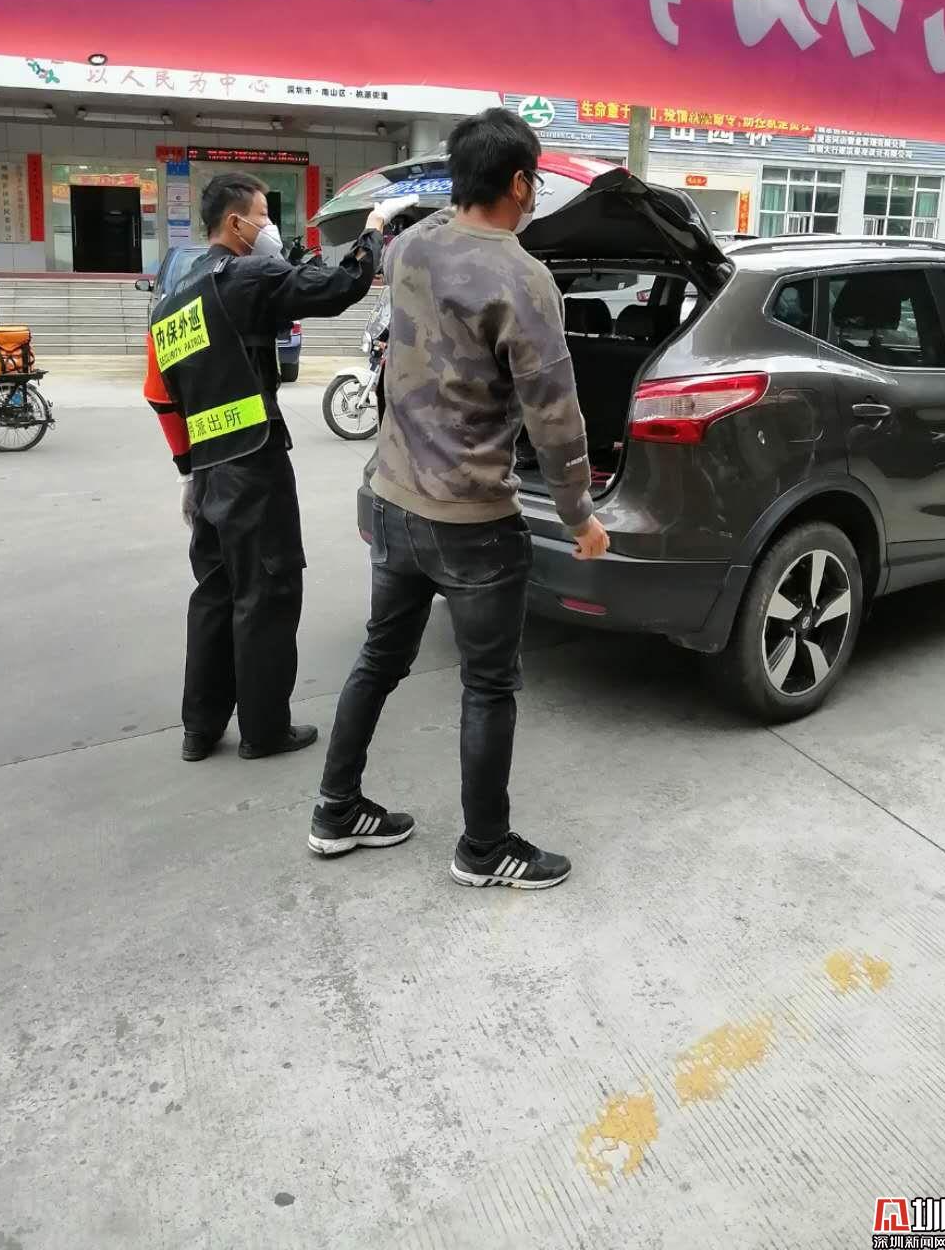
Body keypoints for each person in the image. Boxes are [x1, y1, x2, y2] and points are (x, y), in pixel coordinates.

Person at [309, 108, 610, 890]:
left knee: (379, 658)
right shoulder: (523, 279)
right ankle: (484, 848)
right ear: (520, 183)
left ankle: (335, 810)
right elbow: (554, 415)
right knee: (488, 685)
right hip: (473, 521)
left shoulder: (410, 246)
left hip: (393, 500)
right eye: (532, 181)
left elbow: (418, 238)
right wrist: (579, 514)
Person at [144, 172, 414, 765]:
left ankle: (200, 729)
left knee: (215, 596)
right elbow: (340, 285)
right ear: (235, 222)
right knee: (267, 593)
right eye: (264, 216)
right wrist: (373, 229)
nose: (268, 227)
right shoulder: (246, 276)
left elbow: (161, 395)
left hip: (208, 473)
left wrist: (188, 471)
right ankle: (265, 731)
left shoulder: (172, 302)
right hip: (253, 466)